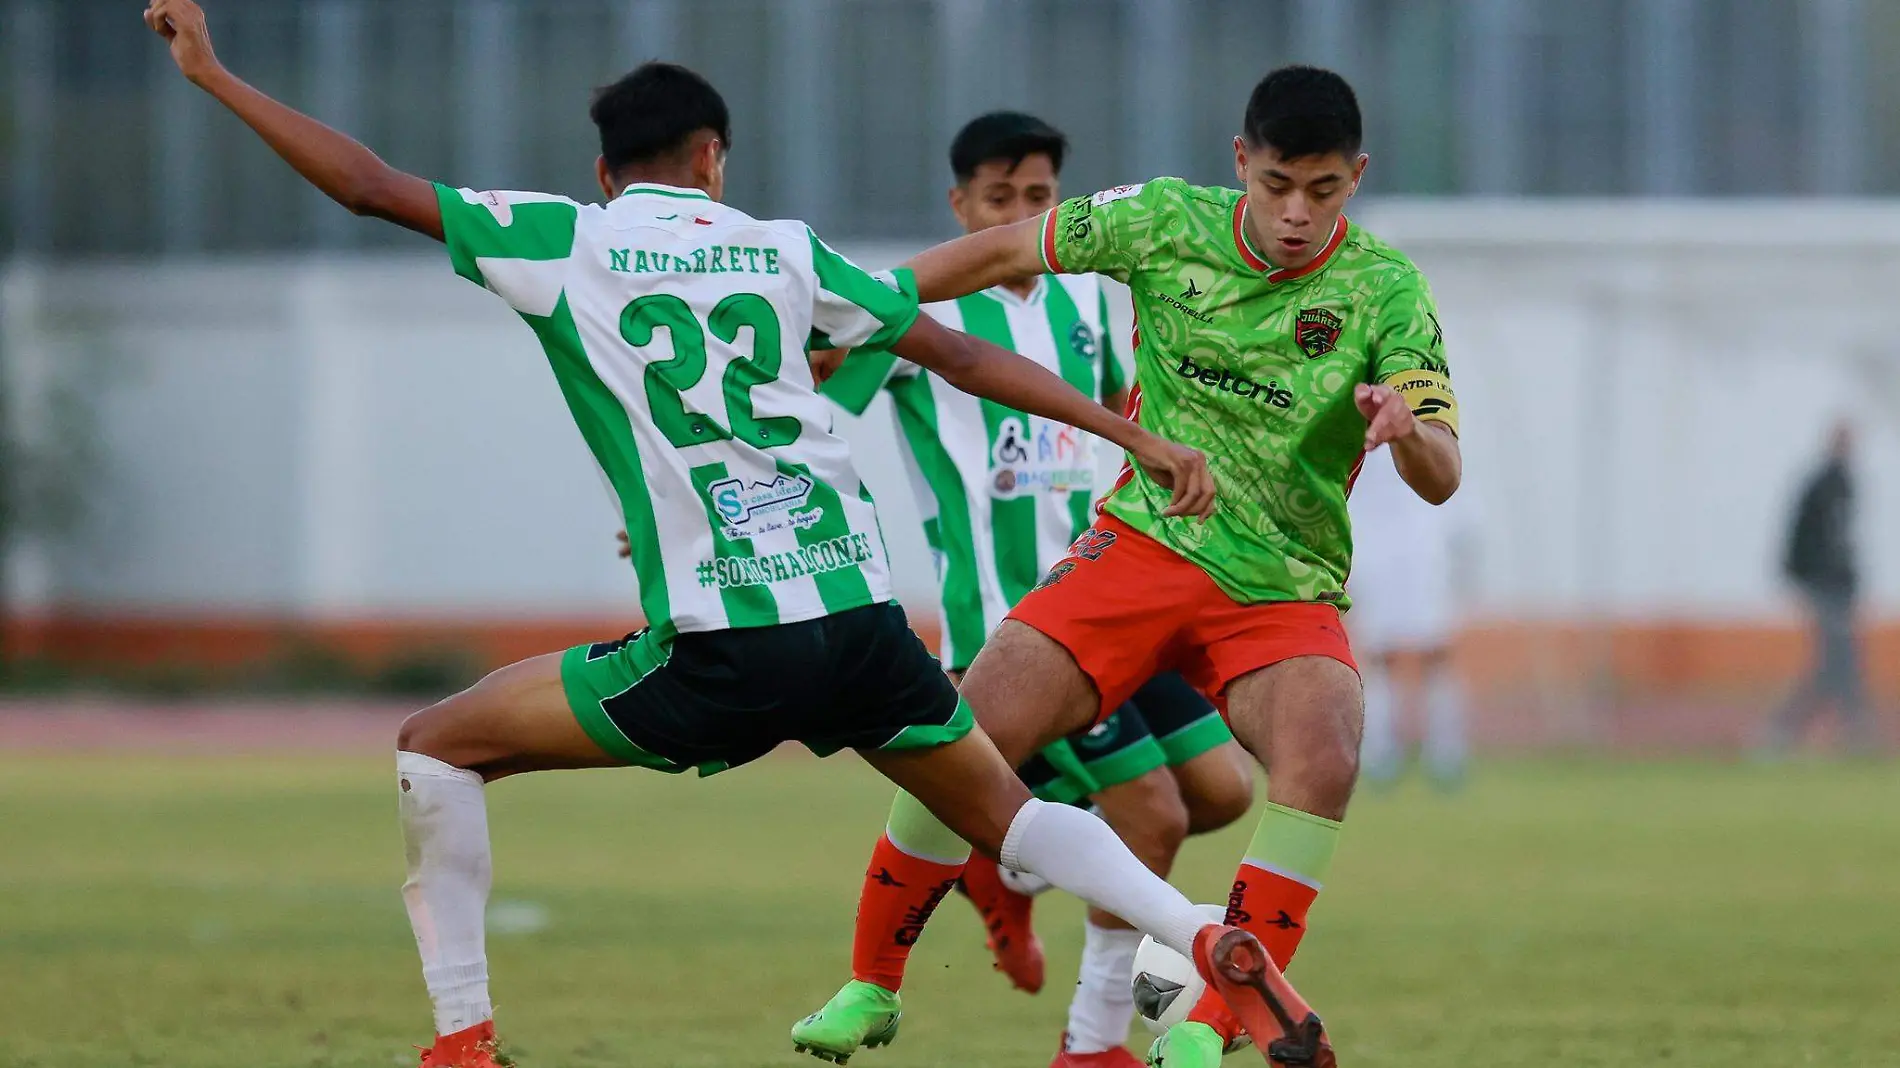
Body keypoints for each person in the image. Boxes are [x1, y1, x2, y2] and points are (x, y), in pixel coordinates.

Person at [141, 5, 1292, 1067]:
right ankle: (1198, 940)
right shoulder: (784, 249)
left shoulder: (563, 239)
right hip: (859, 622)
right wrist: (1127, 437)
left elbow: (369, 187)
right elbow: (962, 353)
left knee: (439, 741)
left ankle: (462, 1041)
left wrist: (213, 73)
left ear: (605, 171)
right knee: (1015, 814)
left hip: (724, 646)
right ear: (713, 158)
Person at [798, 66, 1461, 1068]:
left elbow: (1443, 475)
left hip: (1280, 585)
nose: (1293, 213)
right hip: (1141, 549)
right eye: (1277, 183)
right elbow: (1005, 250)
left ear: (1355, 178)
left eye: (1321, 192)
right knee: (975, 722)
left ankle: (1199, 1027)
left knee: (1318, 753)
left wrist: (1406, 432)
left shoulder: (1385, 291)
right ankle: (871, 986)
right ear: (1241, 161)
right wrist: (862, 298)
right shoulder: (1161, 220)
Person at [812, 112, 1255, 1067]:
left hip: (1111, 602)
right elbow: (810, 400)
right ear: (961, 206)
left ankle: (1005, 857)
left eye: (1039, 197)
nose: (1020, 214)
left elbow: (1121, 415)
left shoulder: (1089, 304)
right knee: (1155, 815)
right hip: (1009, 630)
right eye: (1000, 199)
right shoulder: (911, 325)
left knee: (1219, 792)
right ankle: (1091, 1041)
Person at [1347, 444, 1471, 787]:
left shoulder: (1427, 414)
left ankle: (1446, 755)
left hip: (1426, 547)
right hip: (1378, 551)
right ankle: (1380, 754)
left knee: (1436, 654)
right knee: (1380, 655)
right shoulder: (1360, 425)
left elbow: (1452, 483)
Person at [1764, 420, 1873, 754]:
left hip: (1839, 590)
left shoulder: (1845, 484)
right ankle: (1787, 730)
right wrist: (1802, 583)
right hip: (1822, 588)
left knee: (1839, 665)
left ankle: (1849, 734)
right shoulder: (1820, 485)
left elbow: (1844, 546)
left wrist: (1852, 586)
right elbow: (1801, 541)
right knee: (1837, 663)